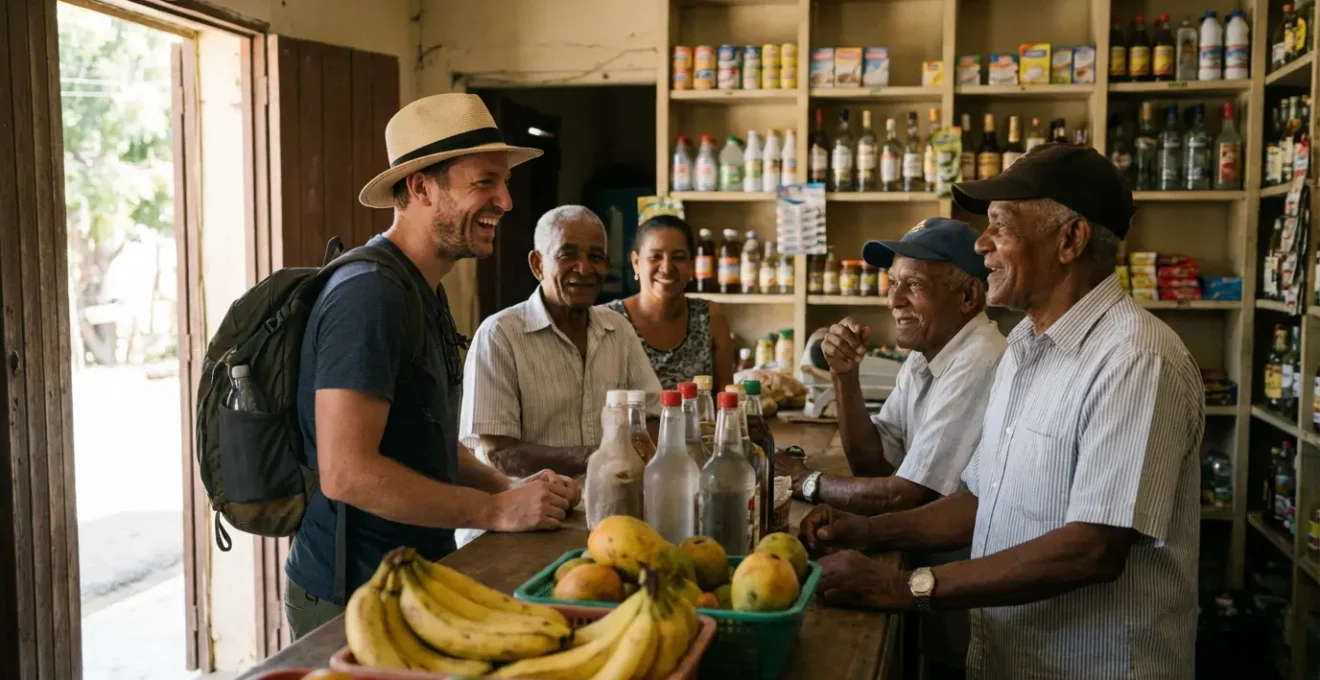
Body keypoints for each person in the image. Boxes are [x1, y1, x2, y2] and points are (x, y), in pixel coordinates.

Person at [801, 143, 1203, 680]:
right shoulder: (1023, 349)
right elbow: (980, 500)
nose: (982, 243)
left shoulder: (1135, 359)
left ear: (1070, 240)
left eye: (1001, 226)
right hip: (1009, 658)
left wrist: (904, 586)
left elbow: (1093, 548)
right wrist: (867, 532)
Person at [282, 94, 581, 639]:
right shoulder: (369, 295)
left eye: (505, 182)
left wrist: (507, 487)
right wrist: (496, 513)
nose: (506, 201)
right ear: (421, 187)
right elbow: (347, 472)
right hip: (356, 595)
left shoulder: (420, 287)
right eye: (484, 182)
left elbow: (428, 441)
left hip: (418, 578)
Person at [776, 218, 1004, 680]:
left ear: (968, 296)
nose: (894, 300)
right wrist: (844, 376)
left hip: (971, 599)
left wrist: (805, 482)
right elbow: (871, 463)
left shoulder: (979, 357)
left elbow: (904, 492)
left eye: (913, 285)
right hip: (929, 580)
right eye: (893, 282)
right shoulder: (925, 355)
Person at [461, 205, 663, 478]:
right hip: (531, 502)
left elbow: (653, 416)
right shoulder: (499, 335)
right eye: (567, 255)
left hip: (614, 497)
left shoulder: (618, 329)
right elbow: (498, 452)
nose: (584, 268)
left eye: (596, 257)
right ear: (538, 265)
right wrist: (599, 457)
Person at [602, 215, 733, 390]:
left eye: (678, 257)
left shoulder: (710, 317)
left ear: (691, 265)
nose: (667, 268)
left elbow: (727, 396)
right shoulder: (608, 321)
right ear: (636, 262)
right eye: (655, 257)